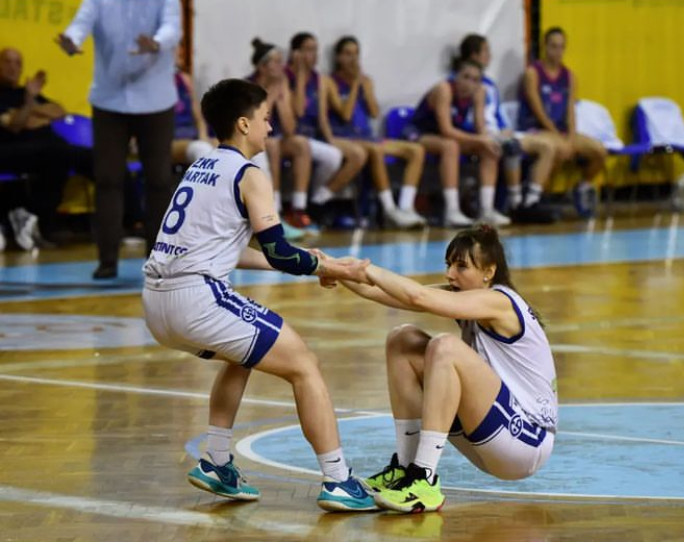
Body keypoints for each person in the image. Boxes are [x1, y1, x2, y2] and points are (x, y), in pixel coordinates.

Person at [141, 78, 377, 511]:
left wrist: (313, 260)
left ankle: (215, 461)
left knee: (243, 354)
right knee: (305, 365)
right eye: (267, 120)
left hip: (157, 304)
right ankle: (339, 479)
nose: (271, 128)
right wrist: (333, 267)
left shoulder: (203, 166)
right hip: (196, 297)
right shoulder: (250, 174)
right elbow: (279, 252)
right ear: (244, 123)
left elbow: (233, 250)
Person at [334, 224, 557, 513]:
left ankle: (424, 478)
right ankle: (406, 469)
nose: (450, 273)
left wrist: (366, 269)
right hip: (491, 432)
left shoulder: (499, 301)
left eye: (461, 266)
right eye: (449, 264)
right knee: (402, 340)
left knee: (445, 348)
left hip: (526, 441)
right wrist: (330, 269)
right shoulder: (468, 295)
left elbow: (418, 296)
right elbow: (390, 294)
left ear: (489, 271)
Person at [57, 0, 182, 279]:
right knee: (107, 180)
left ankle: (158, 259)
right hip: (109, 98)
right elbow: (82, 22)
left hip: (155, 98)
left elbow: (173, 27)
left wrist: (157, 42)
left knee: (159, 181)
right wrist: (72, 39)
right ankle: (107, 260)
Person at [326, 36, 426, 229]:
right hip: (345, 137)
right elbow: (345, 115)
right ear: (338, 57)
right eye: (347, 54)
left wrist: (365, 86)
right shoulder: (330, 82)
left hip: (367, 136)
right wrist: (355, 84)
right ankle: (389, 209)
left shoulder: (366, 81)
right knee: (376, 151)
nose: (353, 59)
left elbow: (374, 112)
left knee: (416, 150)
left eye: (356, 54)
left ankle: (405, 207)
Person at [458, 34, 557, 223]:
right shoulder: (463, 82)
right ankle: (515, 202)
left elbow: (497, 114)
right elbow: (462, 115)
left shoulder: (490, 85)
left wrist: (505, 128)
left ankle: (531, 201)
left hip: (497, 132)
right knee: (510, 146)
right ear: (473, 55)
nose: (490, 55)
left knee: (547, 146)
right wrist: (481, 133)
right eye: (486, 51)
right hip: (477, 135)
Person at [408, 58, 510, 228]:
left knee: (489, 149)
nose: (469, 83)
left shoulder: (479, 92)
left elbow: (480, 130)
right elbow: (446, 130)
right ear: (455, 76)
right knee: (451, 146)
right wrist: (481, 139)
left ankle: (486, 210)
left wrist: (487, 140)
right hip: (421, 133)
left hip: (451, 136)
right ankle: (452, 210)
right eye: (465, 77)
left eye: (475, 79)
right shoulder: (444, 89)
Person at [517, 27, 607, 219]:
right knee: (556, 148)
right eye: (553, 46)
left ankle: (582, 187)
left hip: (562, 131)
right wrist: (560, 138)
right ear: (545, 47)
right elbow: (537, 109)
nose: (557, 51)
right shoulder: (533, 73)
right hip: (537, 129)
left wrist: (572, 137)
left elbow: (570, 110)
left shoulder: (569, 77)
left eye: (561, 47)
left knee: (599, 150)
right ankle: (540, 198)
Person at [0, 47, 84, 249]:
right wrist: (29, 105)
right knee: (57, 153)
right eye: (8, 62)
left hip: (43, 149)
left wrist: (30, 109)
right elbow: (15, 125)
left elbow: (59, 111)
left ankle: (133, 221)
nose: (13, 67)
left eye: (18, 63)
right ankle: (39, 220)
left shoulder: (24, 92)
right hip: (10, 151)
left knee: (100, 158)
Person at [286, 32, 366, 222]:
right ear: (295, 53)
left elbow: (322, 117)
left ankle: (316, 201)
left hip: (313, 136)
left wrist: (330, 140)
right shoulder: (287, 76)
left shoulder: (319, 80)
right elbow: (298, 111)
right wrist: (300, 76)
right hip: (291, 137)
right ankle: (299, 206)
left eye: (315, 50)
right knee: (310, 150)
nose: (312, 55)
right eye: (307, 50)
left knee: (335, 155)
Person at [247, 38, 316, 235]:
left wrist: (282, 98)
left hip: (275, 137)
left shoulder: (283, 83)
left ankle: (298, 209)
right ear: (262, 67)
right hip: (253, 139)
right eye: (276, 62)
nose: (282, 66)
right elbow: (253, 124)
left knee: (301, 145)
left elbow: (290, 128)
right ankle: (274, 212)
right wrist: (270, 96)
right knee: (273, 145)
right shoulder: (248, 87)